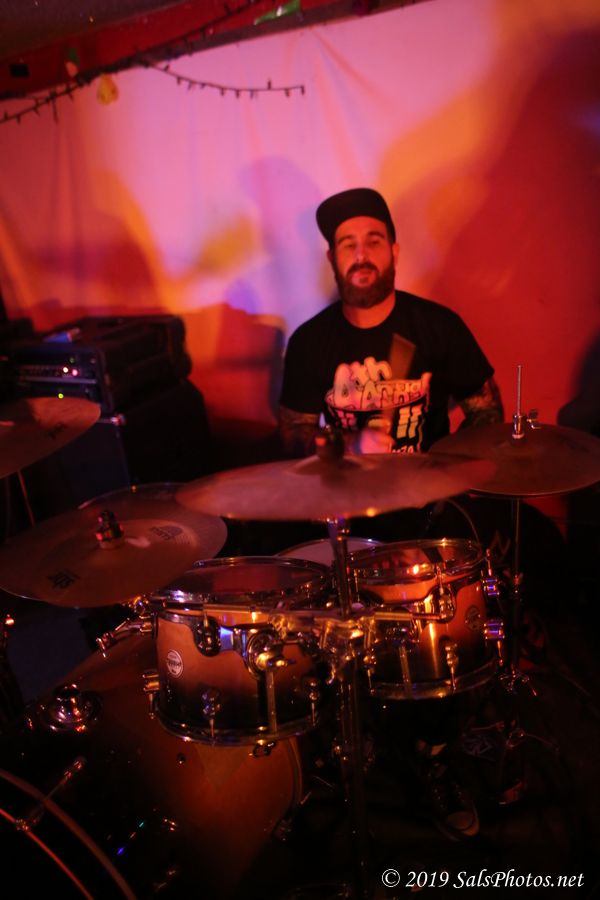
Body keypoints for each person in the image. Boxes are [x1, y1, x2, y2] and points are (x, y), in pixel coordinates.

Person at [278, 188, 505, 841]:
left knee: (436, 640)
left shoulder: (436, 327)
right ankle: (342, 742)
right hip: (345, 517)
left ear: (395, 250)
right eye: (347, 244)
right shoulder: (311, 343)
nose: (361, 254)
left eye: (373, 240)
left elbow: (486, 413)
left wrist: (443, 469)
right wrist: (340, 447)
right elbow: (291, 434)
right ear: (332, 258)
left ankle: (433, 754)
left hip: (425, 514)